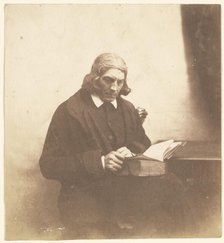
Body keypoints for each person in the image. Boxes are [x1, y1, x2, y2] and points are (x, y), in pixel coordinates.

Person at [39, 53, 194, 239]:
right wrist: (100, 162)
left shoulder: (126, 108)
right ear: (94, 79)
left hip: (125, 194)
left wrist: (131, 149)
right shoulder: (69, 111)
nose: (114, 88)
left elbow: (142, 141)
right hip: (84, 200)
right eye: (108, 80)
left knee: (173, 192)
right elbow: (48, 165)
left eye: (120, 82)